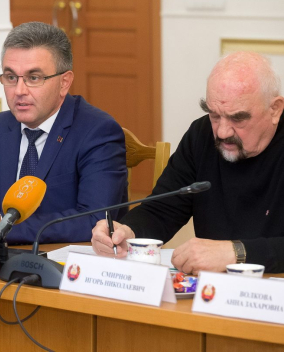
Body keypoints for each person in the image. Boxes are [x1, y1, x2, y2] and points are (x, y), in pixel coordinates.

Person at [0, 22, 127, 243]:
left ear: (64, 82)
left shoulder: (97, 131)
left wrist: (0, 226)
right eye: (10, 77)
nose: (19, 91)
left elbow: (94, 220)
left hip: (64, 260)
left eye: (33, 78)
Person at [91, 51, 284, 274]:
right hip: (210, 287)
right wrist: (128, 231)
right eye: (214, 115)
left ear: (275, 109)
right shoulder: (201, 134)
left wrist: (236, 253)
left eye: (237, 118)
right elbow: (163, 209)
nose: (222, 132)